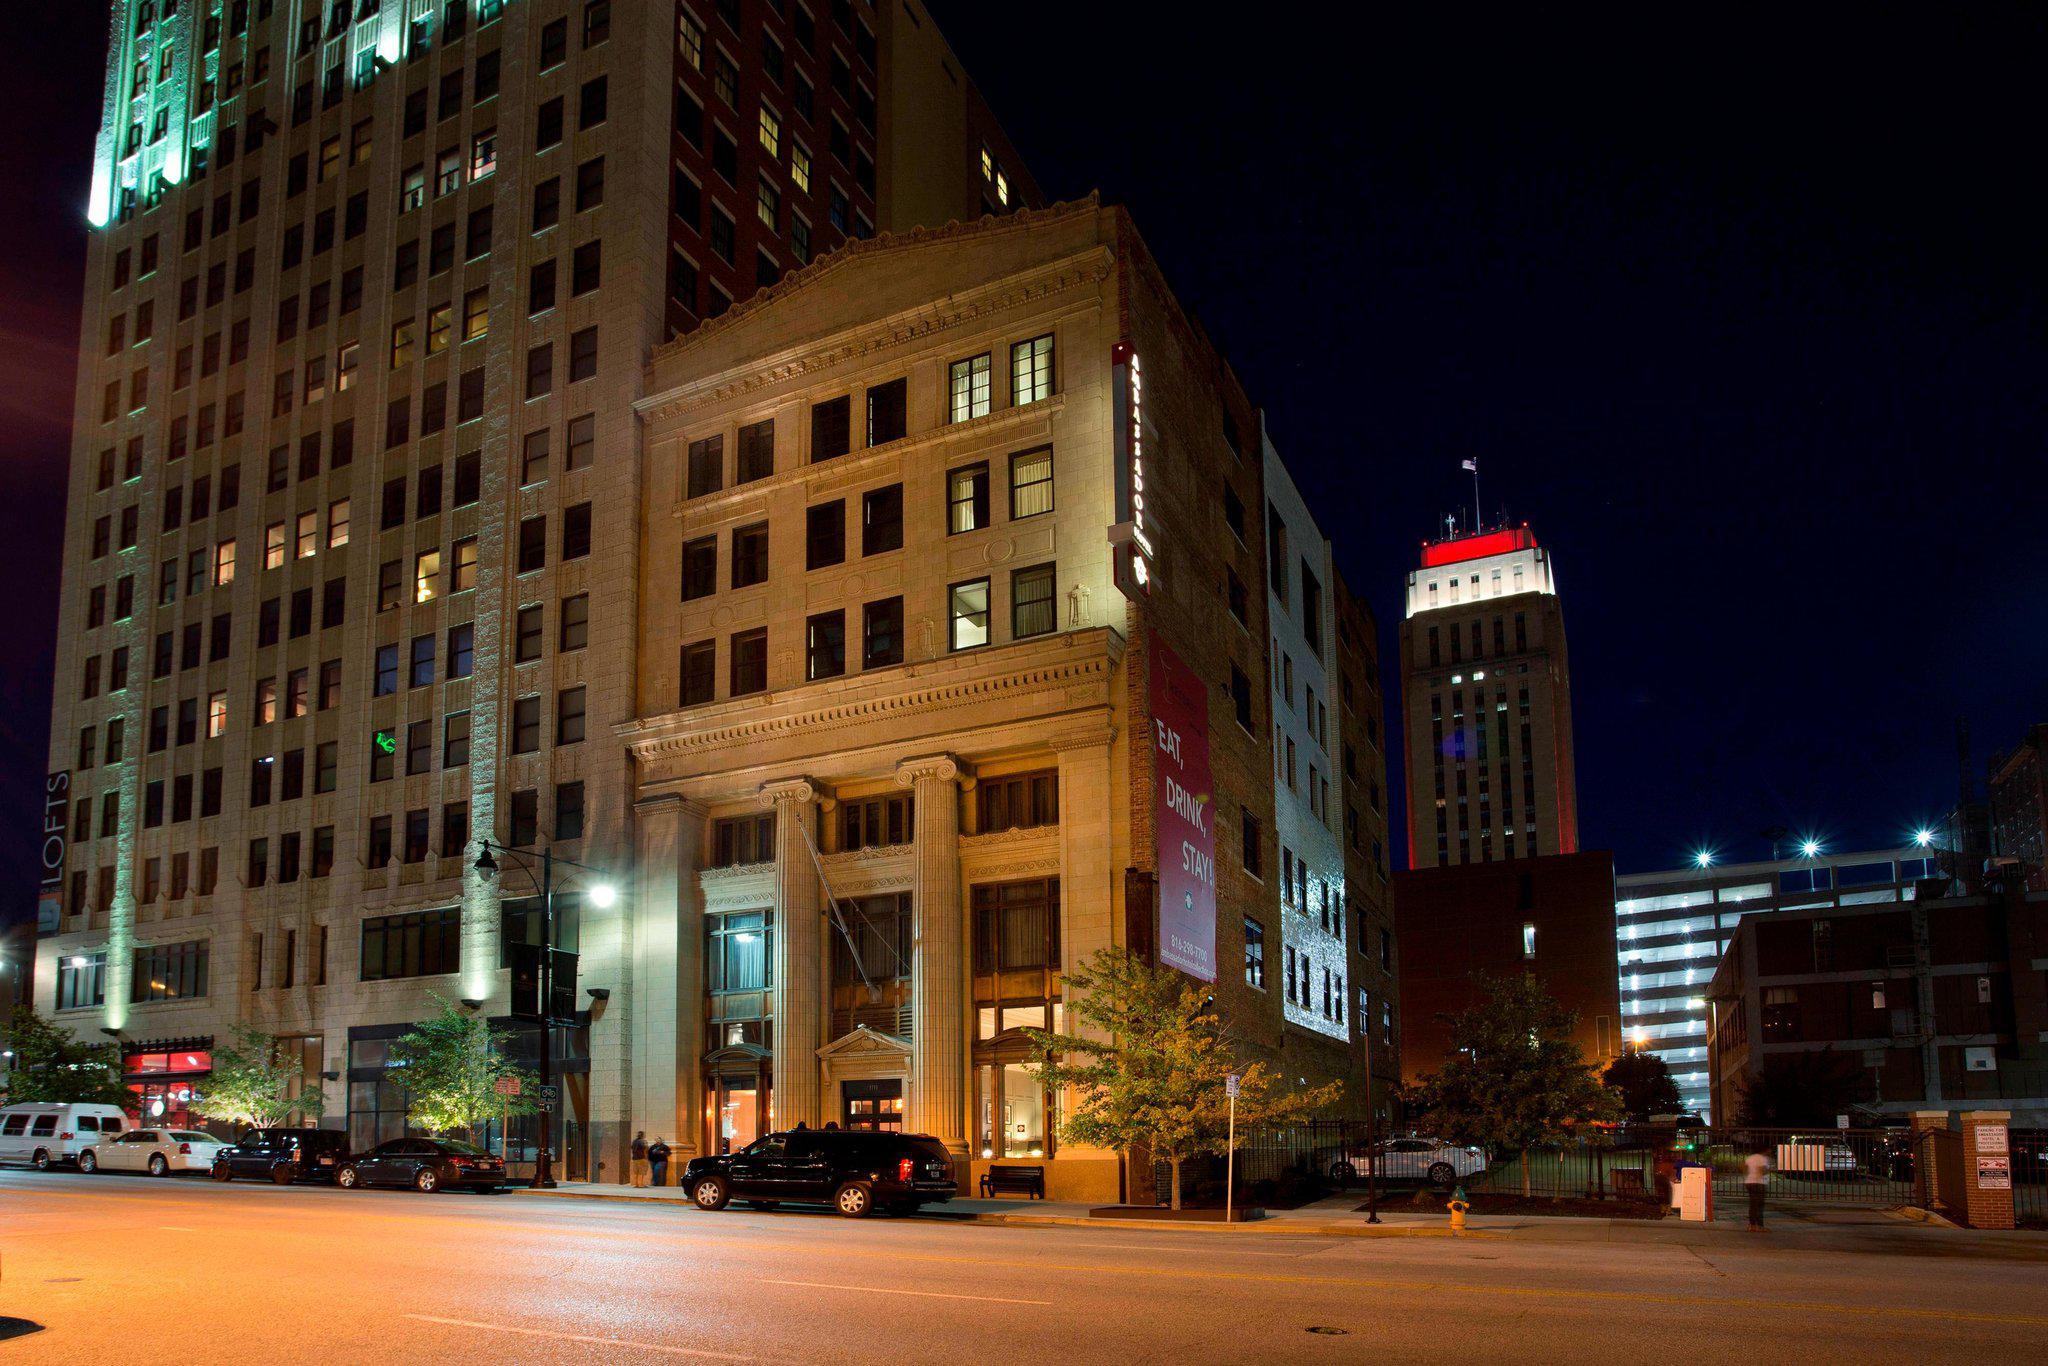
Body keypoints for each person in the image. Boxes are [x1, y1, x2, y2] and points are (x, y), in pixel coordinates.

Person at [1743, 1142, 1771, 1230]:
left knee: (1752, 1205)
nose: (1770, 1151)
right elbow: (1762, 1170)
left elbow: (1743, 1167)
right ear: (1765, 1150)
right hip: (1759, 1183)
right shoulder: (1763, 1158)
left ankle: (1752, 1225)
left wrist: (1749, 1174)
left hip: (1749, 1182)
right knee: (1759, 1205)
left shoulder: (1750, 1158)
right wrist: (1768, 1170)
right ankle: (1759, 1226)